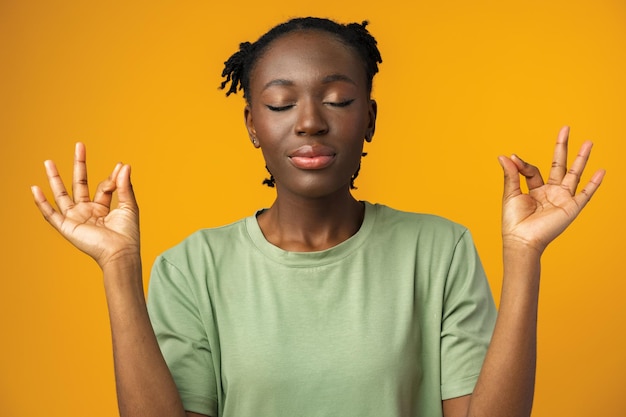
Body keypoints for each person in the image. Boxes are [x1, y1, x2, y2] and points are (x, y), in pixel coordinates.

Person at [31, 17, 605, 417]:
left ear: (370, 119)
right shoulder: (192, 267)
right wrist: (118, 267)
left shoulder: (439, 249)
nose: (309, 122)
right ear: (253, 124)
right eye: (281, 104)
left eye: (337, 100)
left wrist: (525, 257)